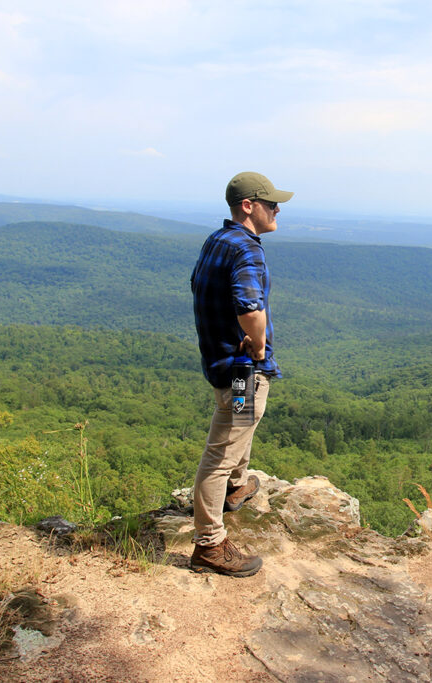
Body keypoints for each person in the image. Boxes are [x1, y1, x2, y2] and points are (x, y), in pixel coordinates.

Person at [189, 171, 293, 577]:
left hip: (220, 360)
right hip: (241, 370)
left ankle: (236, 486)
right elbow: (250, 307)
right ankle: (209, 545)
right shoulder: (247, 249)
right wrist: (260, 344)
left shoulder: (218, 239)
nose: (277, 209)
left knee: (240, 427)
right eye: (270, 203)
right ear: (248, 206)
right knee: (225, 444)